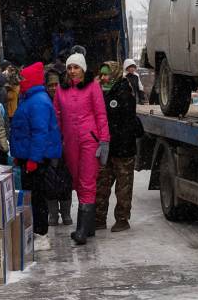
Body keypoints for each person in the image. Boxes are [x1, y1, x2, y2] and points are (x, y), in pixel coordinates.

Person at [53, 52, 110, 245]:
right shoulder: (61, 90)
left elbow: (101, 114)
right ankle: (89, 226)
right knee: (77, 182)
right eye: (69, 67)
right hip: (70, 143)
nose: (72, 71)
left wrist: (104, 141)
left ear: (83, 69)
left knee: (86, 182)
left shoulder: (93, 87)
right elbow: (57, 117)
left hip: (89, 141)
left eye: (76, 67)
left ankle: (82, 231)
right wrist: (56, 141)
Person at [10, 62, 62, 251]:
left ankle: (41, 234)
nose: (20, 82)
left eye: (23, 78)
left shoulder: (38, 101)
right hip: (30, 158)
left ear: (31, 80)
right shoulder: (31, 98)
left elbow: (40, 134)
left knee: (38, 198)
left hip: (36, 160)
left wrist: (33, 159)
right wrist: (21, 155)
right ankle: (37, 231)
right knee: (33, 197)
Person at [96, 61, 142, 232]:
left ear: (114, 74)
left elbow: (125, 122)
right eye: (102, 74)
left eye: (106, 74)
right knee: (101, 185)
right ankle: (99, 219)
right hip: (107, 147)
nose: (103, 78)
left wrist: (115, 139)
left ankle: (122, 219)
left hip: (123, 148)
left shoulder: (123, 91)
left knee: (123, 187)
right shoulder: (102, 92)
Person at [44, 67, 74, 225]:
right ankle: (53, 214)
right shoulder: (44, 101)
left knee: (65, 182)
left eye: (56, 85)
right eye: (50, 85)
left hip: (66, 146)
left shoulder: (66, 99)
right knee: (50, 183)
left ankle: (66, 213)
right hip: (49, 148)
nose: (53, 88)